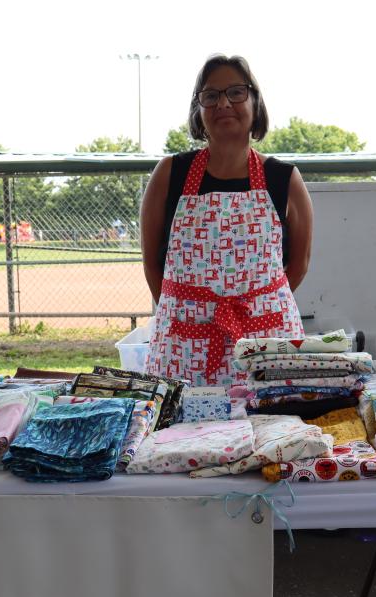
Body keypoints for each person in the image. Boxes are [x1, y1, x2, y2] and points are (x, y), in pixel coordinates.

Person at [140, 54, 313, 386]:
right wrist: (184, 313)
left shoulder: (283, 178)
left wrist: (253, 306)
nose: (223, 103)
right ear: (199, 109)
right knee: (181, 434)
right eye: (211, 95)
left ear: (254, 102)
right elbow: (151, 264)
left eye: (236, 92)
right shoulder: (170, 174)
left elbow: (299, 265)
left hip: (265, 340)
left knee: (270, 430)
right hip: (184, 344)